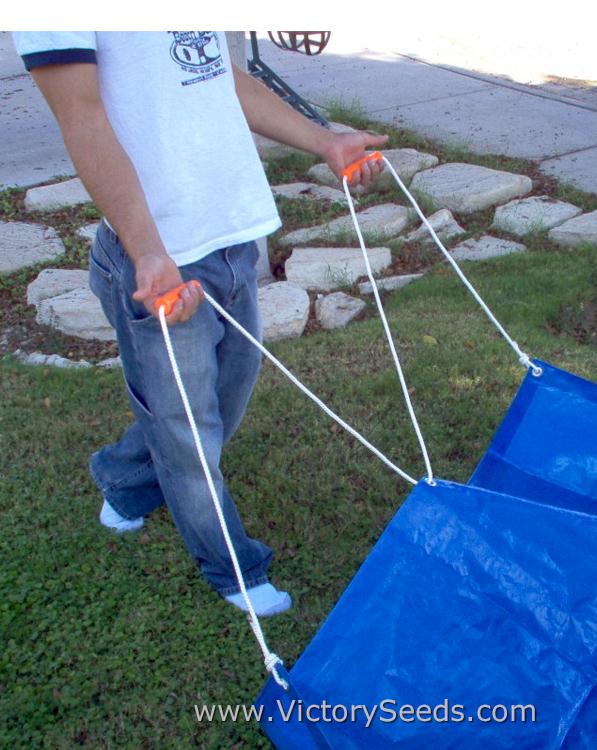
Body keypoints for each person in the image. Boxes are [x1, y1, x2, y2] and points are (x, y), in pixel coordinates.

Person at [13, 31, 387, 617]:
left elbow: (216, 74)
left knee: (222, 398)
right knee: (188, 427)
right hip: (160, 258)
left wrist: (323, 141)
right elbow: (82, 120)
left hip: (232, 235)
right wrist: (147, 250)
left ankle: (126, 480)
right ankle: (232, 567)